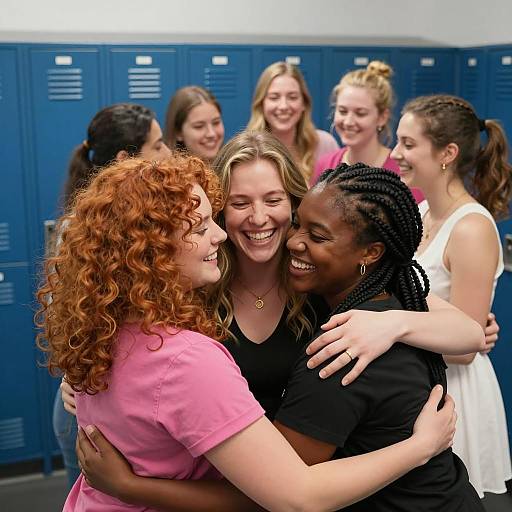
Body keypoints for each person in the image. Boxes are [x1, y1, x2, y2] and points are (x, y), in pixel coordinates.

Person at [36, 155, 457, 512]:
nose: (220, 233)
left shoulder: (104, 324)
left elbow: (466, 329)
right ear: (153, 253)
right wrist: (420, 447)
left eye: (275, 201)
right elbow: (296, 496)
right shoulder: (187, 356)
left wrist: (397, 322)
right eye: (200, 227)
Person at [391, 94, 512, 497]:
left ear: (447, 153)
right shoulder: (423, 212)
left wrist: (389, 329)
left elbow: (464, 345)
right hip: (421, 380)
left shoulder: (471, 227)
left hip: (455, 391)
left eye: (408, 144)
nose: (395, 153)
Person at [52, 102, 171, 488]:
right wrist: (72, 372)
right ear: (125, 158)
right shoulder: (84, 228)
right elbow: (67, 319)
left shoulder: (144, 220)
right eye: (157, 145)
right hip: (85, 407)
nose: (168, 153)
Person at [311, 61, 422, 202]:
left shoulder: (403, 173)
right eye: (343, 111)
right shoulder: (325, 165)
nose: (348, 122)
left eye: (361, 113)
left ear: (382, 117)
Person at [247, 61, 338, 182]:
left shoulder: (325, 144)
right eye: (274, 97)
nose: (284, 106)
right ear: (261, 104)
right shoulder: (246, 149)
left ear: (304, 103)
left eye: (292, 97)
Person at [164, 85, 224, 162]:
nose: (211, 134)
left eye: (216, 123)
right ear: (178, 132)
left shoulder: (233, 167)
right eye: (199, 126)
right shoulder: (169, 173)